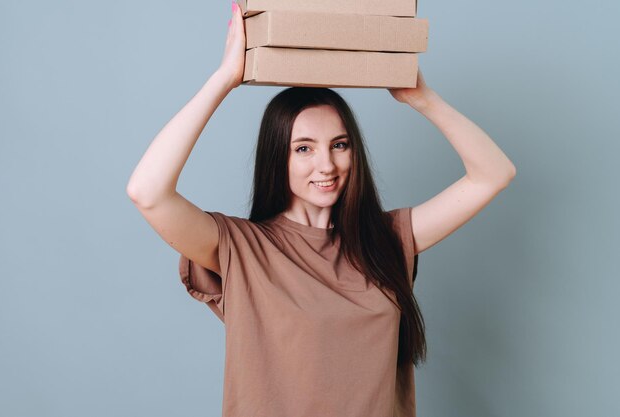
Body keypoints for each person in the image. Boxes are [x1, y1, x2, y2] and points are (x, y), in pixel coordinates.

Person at [126, 3, 516, 417]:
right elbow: (147, 191)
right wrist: (224, 80)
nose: (326, 165)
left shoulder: (387, 239)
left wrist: (424, 99)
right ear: (278, 158)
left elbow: (494, 173)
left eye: (339, 145)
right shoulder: (242, 248)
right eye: (304, 149)